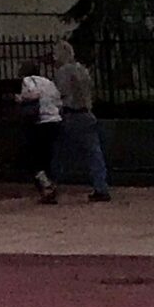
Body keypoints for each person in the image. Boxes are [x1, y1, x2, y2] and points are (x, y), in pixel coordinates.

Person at [49, 41, 110, 202]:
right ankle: (101, 187)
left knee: (59, 152)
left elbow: (60, 94)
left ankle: (50, 188)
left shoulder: (63, 71)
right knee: (94, 152)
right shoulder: (82, 69)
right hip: (87, 114)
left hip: (70, 114)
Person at [15, 58, 63, 201]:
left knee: (34, 156)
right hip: (55, 121)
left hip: (40, 122)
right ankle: (51, 185)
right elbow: (59, 101)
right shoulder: (49, 82)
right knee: (48, 155)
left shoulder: (28, 80)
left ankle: (46, 185)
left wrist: (21, 98)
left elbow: (34, 94)